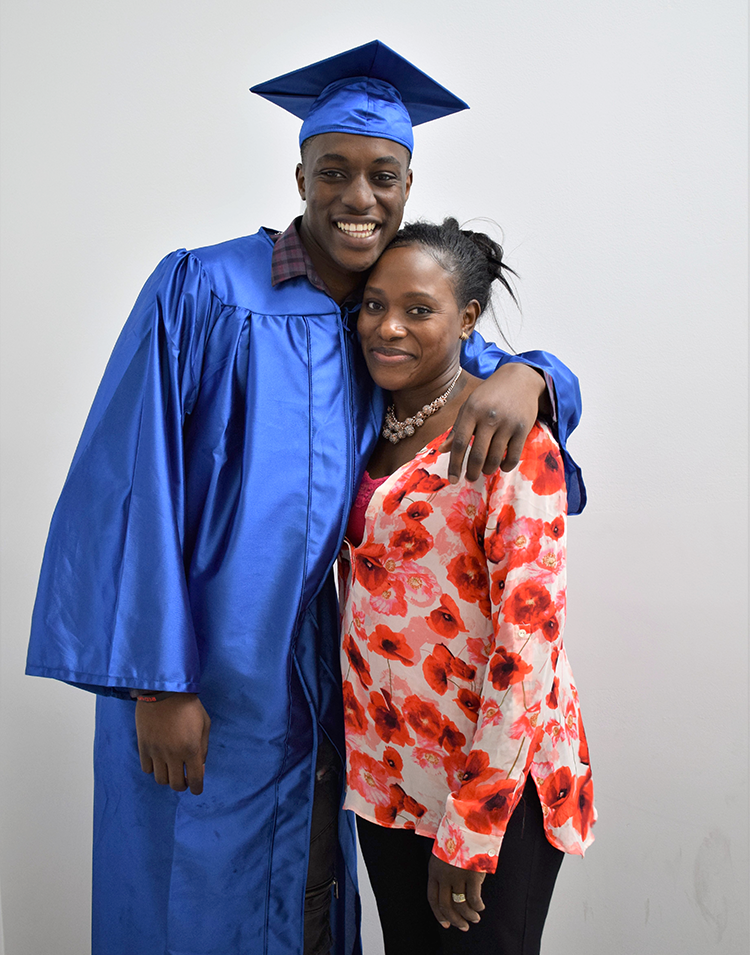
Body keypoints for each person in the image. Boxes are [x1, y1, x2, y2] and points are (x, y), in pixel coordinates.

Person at [26, 42, 585, 955]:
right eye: (334, 172)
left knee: (308, 894)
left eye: (382, 176)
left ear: (408, 185)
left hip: (319, 682)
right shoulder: (204, 290)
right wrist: (157, 681)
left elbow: (481, 388)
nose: (358, 198)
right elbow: (127, 487)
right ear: (300, 176)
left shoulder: (382, 314)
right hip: (198, 664)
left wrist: (538, 372)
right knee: (188, 889)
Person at [338, 218, 594, 955]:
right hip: (389, 781)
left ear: (468, 318)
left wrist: (476, 824)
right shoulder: (362, 418)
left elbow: (528, 648)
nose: (388, 326)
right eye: (374, 304)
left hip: (489, 787)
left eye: (419, 309)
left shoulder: (507, 438)